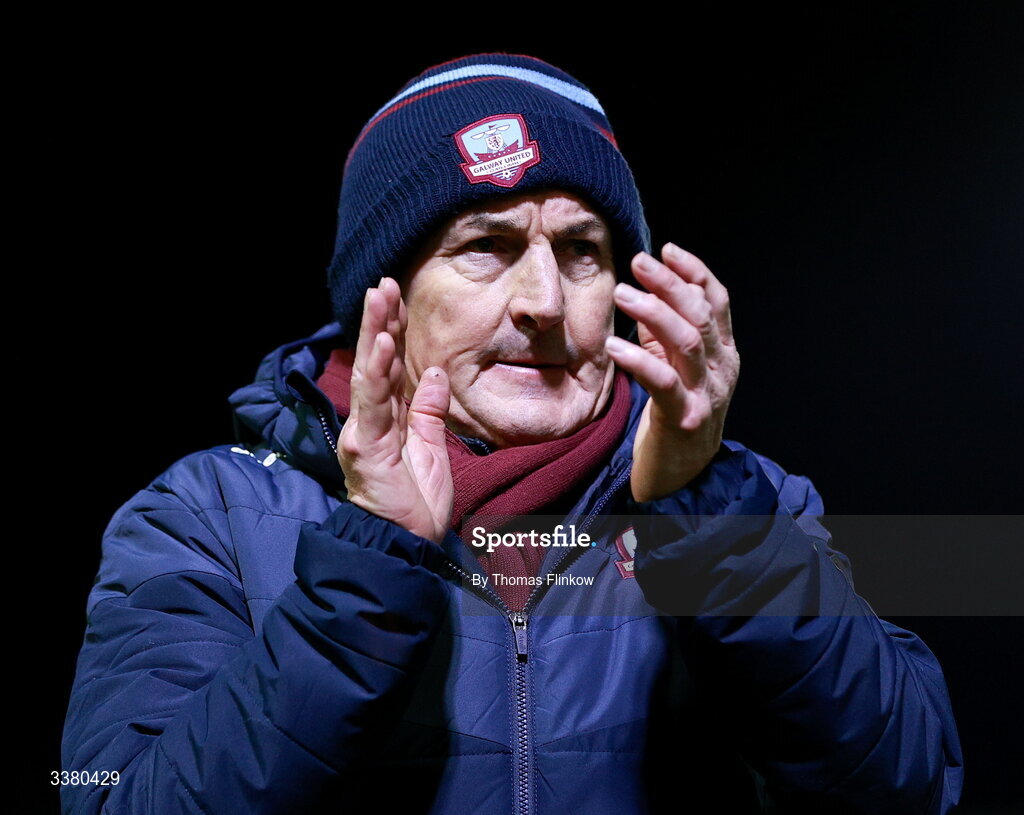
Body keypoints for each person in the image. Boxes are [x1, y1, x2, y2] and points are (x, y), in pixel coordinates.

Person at [61, 53, 963, 814]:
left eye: (582, 251)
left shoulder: (741, 504)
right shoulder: (211, 512)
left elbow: (912, 783)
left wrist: (710, 523)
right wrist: (371, 559)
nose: (542, 302)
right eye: (484, 245)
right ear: (384, 300)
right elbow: (111, 794)